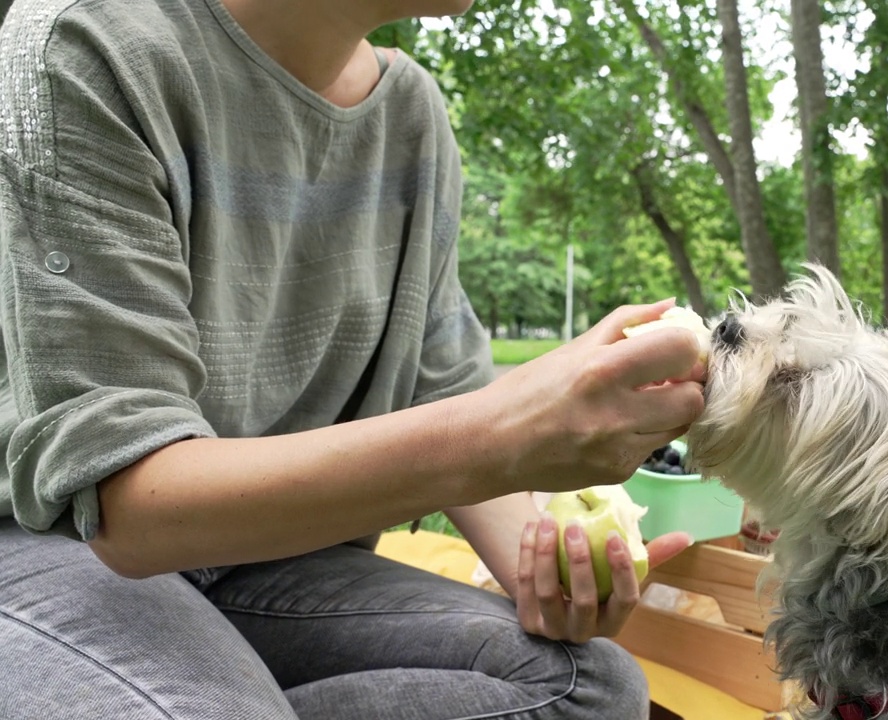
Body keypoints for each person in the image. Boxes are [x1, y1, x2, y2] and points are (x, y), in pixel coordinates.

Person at [0, 0, 706, 718]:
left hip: (270, 563)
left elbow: (442, 394)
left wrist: (553, 566)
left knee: (587, 689)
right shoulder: (85, 43)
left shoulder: (411, 116)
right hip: (47, 550)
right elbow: (129, 511)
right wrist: (505, 431)